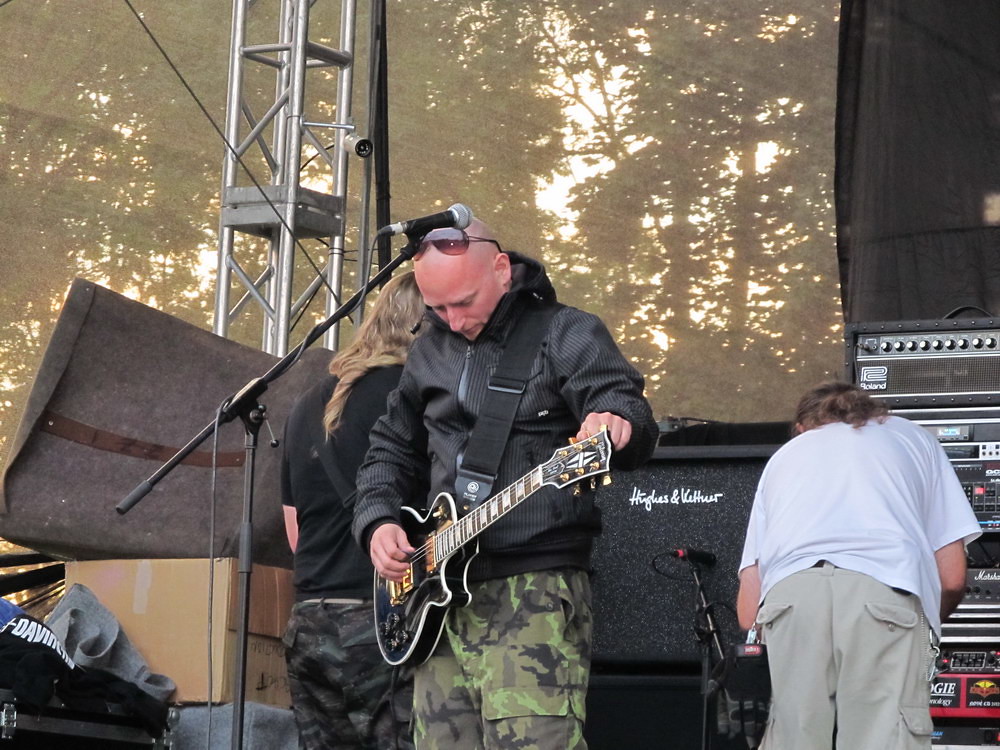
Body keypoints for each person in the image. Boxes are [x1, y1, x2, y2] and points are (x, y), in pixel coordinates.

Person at [352, 214, 659, 749]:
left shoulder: (566, 331)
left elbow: (623, 402)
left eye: (463, 302)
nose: (453, 320)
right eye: (437, 308)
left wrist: (615, 421)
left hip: (532, 584)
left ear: (500, 268)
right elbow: (390, 447)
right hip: (438, 597)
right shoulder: (429, 349)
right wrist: (377, 520)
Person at [736, 381, 981, 750]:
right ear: (873, 413)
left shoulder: (785, 456)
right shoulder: (914, 438)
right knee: (884, 736)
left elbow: (748, 610)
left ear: (802, 427)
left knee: (794, 736)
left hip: (791, 597)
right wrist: (921, 621)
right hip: (884, 589)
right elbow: (952, 578)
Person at [281, 271, 423, 750]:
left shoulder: (306, 403)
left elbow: (295, 531)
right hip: (382, 617)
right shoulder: (411, 392)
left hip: (310, 621)